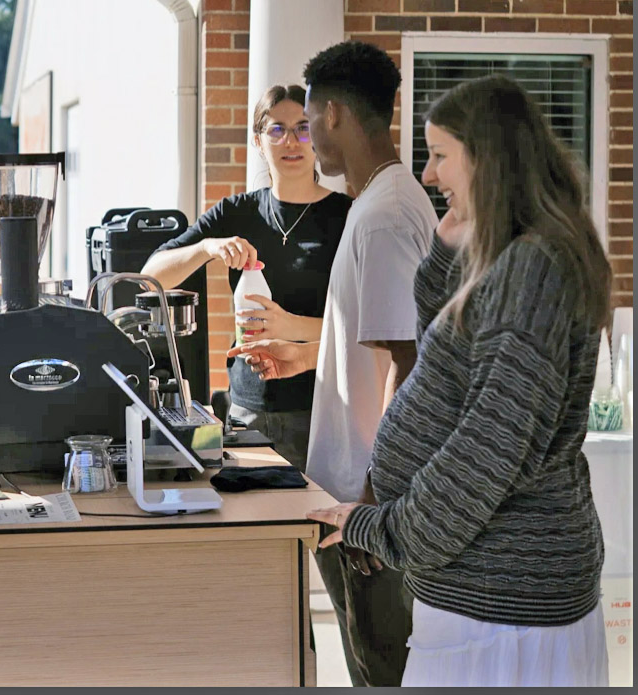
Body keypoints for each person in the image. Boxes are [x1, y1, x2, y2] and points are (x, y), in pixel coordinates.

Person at [304, 74, 612, 687]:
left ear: (488, 159)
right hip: (488, 600)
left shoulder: (534, 267)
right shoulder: (514, 258)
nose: (428, 173)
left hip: (505, 609)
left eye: (441, 155)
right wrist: (447, 250)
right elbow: (445, 361)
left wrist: (387, 529)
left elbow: (489, 448)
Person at [229, 42, 437, 686]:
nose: (306, 136)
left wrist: (374, 498)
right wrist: (303, 359)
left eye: (310, 118)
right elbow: (374, 342)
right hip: (361, 488)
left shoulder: (381, 217)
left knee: (383, 669)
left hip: (371, 495)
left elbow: (411, 363)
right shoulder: (382, 202)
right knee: (369, 657)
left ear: (336, 114)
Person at [141, 84, 351, 470]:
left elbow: (363, 330)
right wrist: (207, 247)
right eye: (277, 129)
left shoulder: (346, 217)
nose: (291, 141)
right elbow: (150, 278)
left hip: (322, 410)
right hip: (247, 412)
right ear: (258, 140)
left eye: (303, 128)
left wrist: (290, 325)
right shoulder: (236, 212)